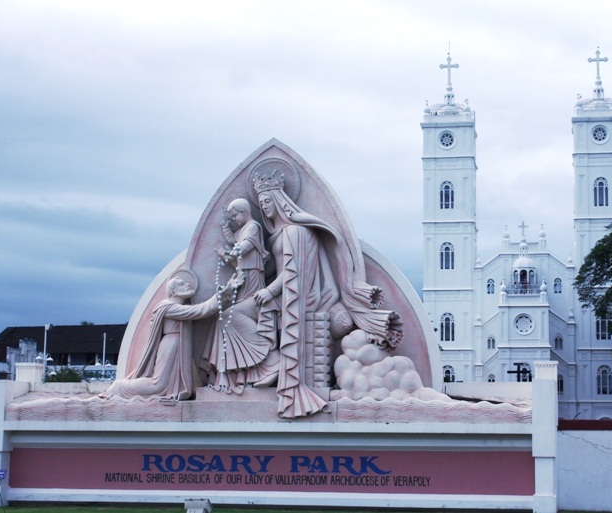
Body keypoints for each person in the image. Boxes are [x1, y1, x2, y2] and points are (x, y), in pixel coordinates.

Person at [252, 170, 402, 418]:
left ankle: (275, 369)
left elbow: (293, 274)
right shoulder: (276, 236)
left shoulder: (295, 233)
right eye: (261, 203)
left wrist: (270, 291)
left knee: (249, 313)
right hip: (281, 296)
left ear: (279, 200)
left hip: (294, 298)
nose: (264, 207)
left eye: (267, 201)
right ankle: (261, 368)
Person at [101, 270, 242, 402]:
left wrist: (229, 291)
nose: (187, 284)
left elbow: (201, 310)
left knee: (164, 386)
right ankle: (118, 387)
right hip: (170, 346)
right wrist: (222, 294)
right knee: (158, 386)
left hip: (177, 345)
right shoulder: (167, 307)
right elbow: (200, 311)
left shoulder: (178, 307)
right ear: (173, 292)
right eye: (182, 284)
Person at [207, 198, 276, 394]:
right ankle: (234, 373)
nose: (235, 219)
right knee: (225, 318)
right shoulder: (244, 228)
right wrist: (225, 228)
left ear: (245, 212)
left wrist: (233, 252)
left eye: (235, 215)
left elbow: (244, 246)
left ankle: (270, 359)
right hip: (243, 276)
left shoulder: (253, 227)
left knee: (229, 317)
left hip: (253, 279)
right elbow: (234, 240)